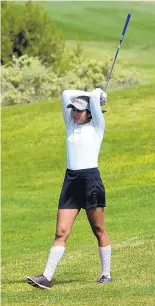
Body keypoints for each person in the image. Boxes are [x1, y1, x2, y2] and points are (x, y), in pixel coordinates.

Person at [26, 88, 112, 290]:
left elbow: (93, 98)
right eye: (72, 109)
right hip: (71, 182)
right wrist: (92, 93)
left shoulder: (98, 126)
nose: (74, 113)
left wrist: (98, 95)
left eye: (79, 110)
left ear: (90, 112)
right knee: (61, 231)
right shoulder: (70, 125)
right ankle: (46, 277)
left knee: (98, 229)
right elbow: (65, 93)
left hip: (91, 181)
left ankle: (106, 274)